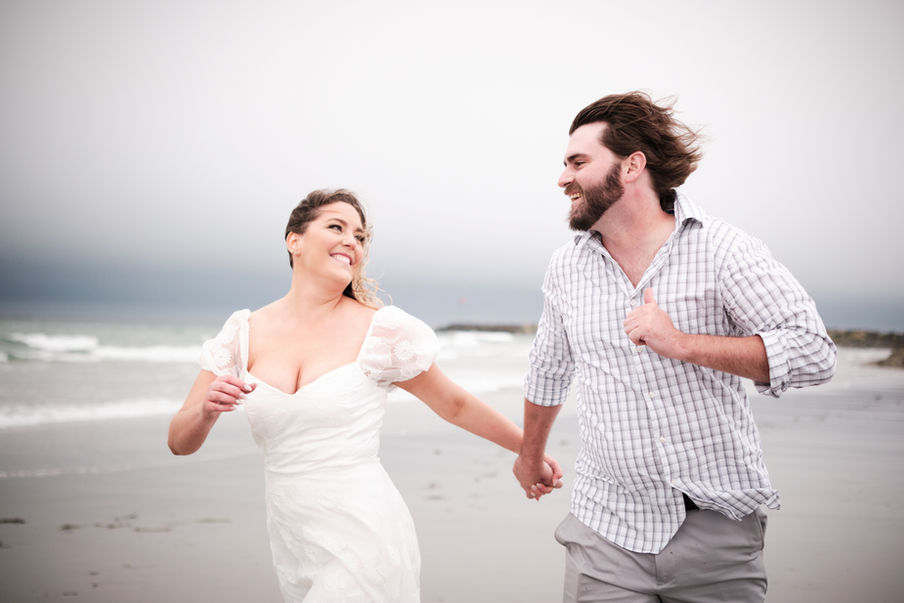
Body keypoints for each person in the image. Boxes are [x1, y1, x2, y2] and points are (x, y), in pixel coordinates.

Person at [512, 91, 837, 602]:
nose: (562, 178)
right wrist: (529, 455)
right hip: (606, 530)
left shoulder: (723, 249)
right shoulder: (566, 267)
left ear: (632, 165)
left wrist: (682, 344)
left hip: (717, 531)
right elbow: (549, 368)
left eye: (578, 162)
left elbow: (813, 352)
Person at [168, 188, 561, 602]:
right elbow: (179, 442)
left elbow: (454, 404)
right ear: (294, 240)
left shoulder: (381, 331)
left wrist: (528, 450)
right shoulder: (243, 333)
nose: (351, 242)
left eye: (360, 237)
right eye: (336, 227)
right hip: (292, 542)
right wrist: (207, 411)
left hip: (365, 535)